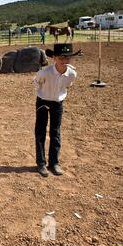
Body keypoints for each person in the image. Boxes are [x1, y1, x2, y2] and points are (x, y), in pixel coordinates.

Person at [33, 43, 78, 177]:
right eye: (61, 58)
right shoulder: (45, 72)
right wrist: (46, 92)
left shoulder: (72, 74)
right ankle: (41, 163)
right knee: (40, 131)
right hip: (43, 101)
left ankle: (54, 163)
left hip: (58, 102)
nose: (64, 61)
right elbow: (36, 82)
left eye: (67, 58)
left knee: (55, 132)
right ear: (54, 58)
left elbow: (67, 85)